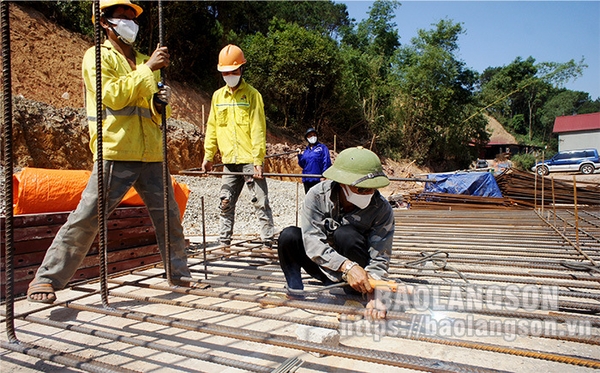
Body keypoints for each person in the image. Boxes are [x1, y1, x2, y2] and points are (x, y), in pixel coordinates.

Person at [27, 0, 194, 303]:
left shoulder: (144, 58)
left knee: (169, 218)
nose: (131, 23)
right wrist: (148, 70)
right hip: (116, 150)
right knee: (88, 216)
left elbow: (150, 109)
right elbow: (113, 97)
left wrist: (158, 104)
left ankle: (179, 274)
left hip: (151, 152)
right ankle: (47, 278)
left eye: (133, 17)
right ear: (105, 22)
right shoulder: (97, 57)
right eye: (123, 17)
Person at [277, 146, 395, 320]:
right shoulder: (317, 195)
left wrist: (374, 292)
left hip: (358, 276)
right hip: (325, 266)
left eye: (373, 188)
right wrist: (347, 266)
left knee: (346, 234)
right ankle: (295, 291)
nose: (369, 193)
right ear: (342, 184)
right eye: (362, 189)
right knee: (289, 236)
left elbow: (379, 258)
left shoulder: (382, 209)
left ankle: (355, 294)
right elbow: (312, 241)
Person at [201, 44, 275, 248]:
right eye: (226, 72)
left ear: (242, 69)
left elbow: (258, 129)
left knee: (260, 202)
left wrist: (258, 161)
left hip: (249, 160)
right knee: (225, 202)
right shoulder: (218, 97)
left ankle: (267, 241)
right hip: (229, 161)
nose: (230, 75)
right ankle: (224, 241)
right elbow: (212, 127)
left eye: (233, 71)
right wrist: (208, 156)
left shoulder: (252, 95)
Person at [297, 127, 332, 193]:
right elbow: (303, 164)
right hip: (307, 179)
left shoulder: (322, 148)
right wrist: (299, 155)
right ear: (307, 138)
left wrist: (323, 175)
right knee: (309, 198)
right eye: (310, 135)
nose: (313, 137)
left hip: (317, 178)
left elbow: (326, 161)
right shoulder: (306, 150)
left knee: (318, 199)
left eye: (314, 135)